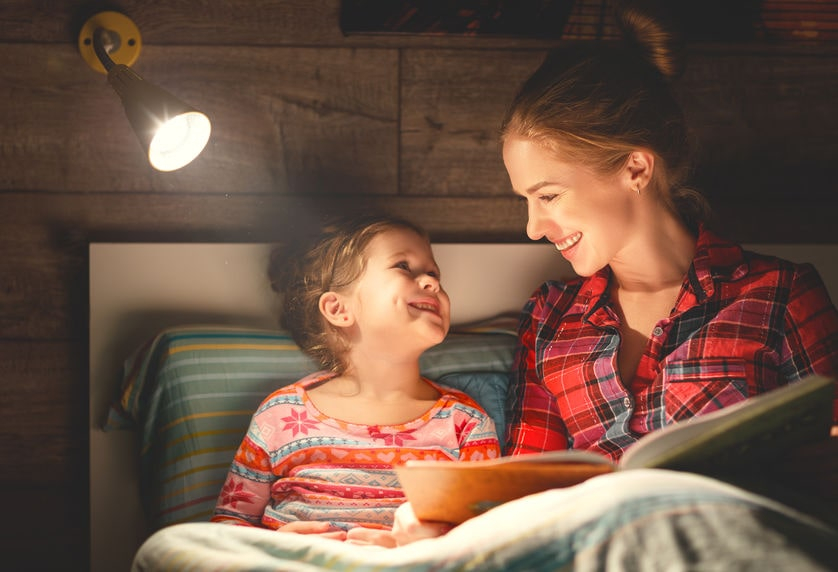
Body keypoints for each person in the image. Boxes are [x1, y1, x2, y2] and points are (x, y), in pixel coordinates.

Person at [392, 0, 838, 545]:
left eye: (548, 195)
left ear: (635, 168)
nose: (534, 227)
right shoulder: (552, 317)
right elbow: (526, 486)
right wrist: (439, 528)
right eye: (526, 202)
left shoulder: (779, 296)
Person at [211, 214, 501, 546]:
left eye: (433, 273)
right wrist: (274, 544)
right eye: (403, 266)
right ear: (338, 309)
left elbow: (485, 540)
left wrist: (422, 545)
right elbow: (228, 527)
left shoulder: (465, 424)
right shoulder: (281, 415)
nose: (431, 282)